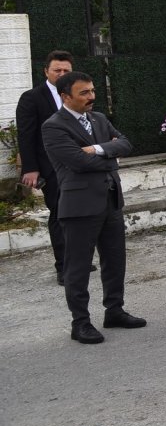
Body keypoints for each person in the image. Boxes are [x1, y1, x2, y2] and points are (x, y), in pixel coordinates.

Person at [42, 71, 145, 344]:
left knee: (115, 259)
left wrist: (99, 149)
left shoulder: (98, 118)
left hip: (110, 201)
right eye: (84, 93)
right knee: (77, 267)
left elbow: (126, 143)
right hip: (79, 207)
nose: (92, 97)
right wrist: (111, 156)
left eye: (92, 91)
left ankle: (115, 310)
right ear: (66, 97)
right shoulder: (54, 126)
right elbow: (77, 162)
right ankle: (81, 322)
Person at [17, 50, 92, 285]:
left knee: (82, 215)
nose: (61, 74)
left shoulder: (79, 95)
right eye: (56, 70)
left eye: (65, 71)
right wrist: (30, 169)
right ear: (46, 71)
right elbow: (26, 135)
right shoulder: (32, 98)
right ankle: (63, 266)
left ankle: (80, 259)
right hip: (52, 168)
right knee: (60, 215)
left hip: (81, 165)